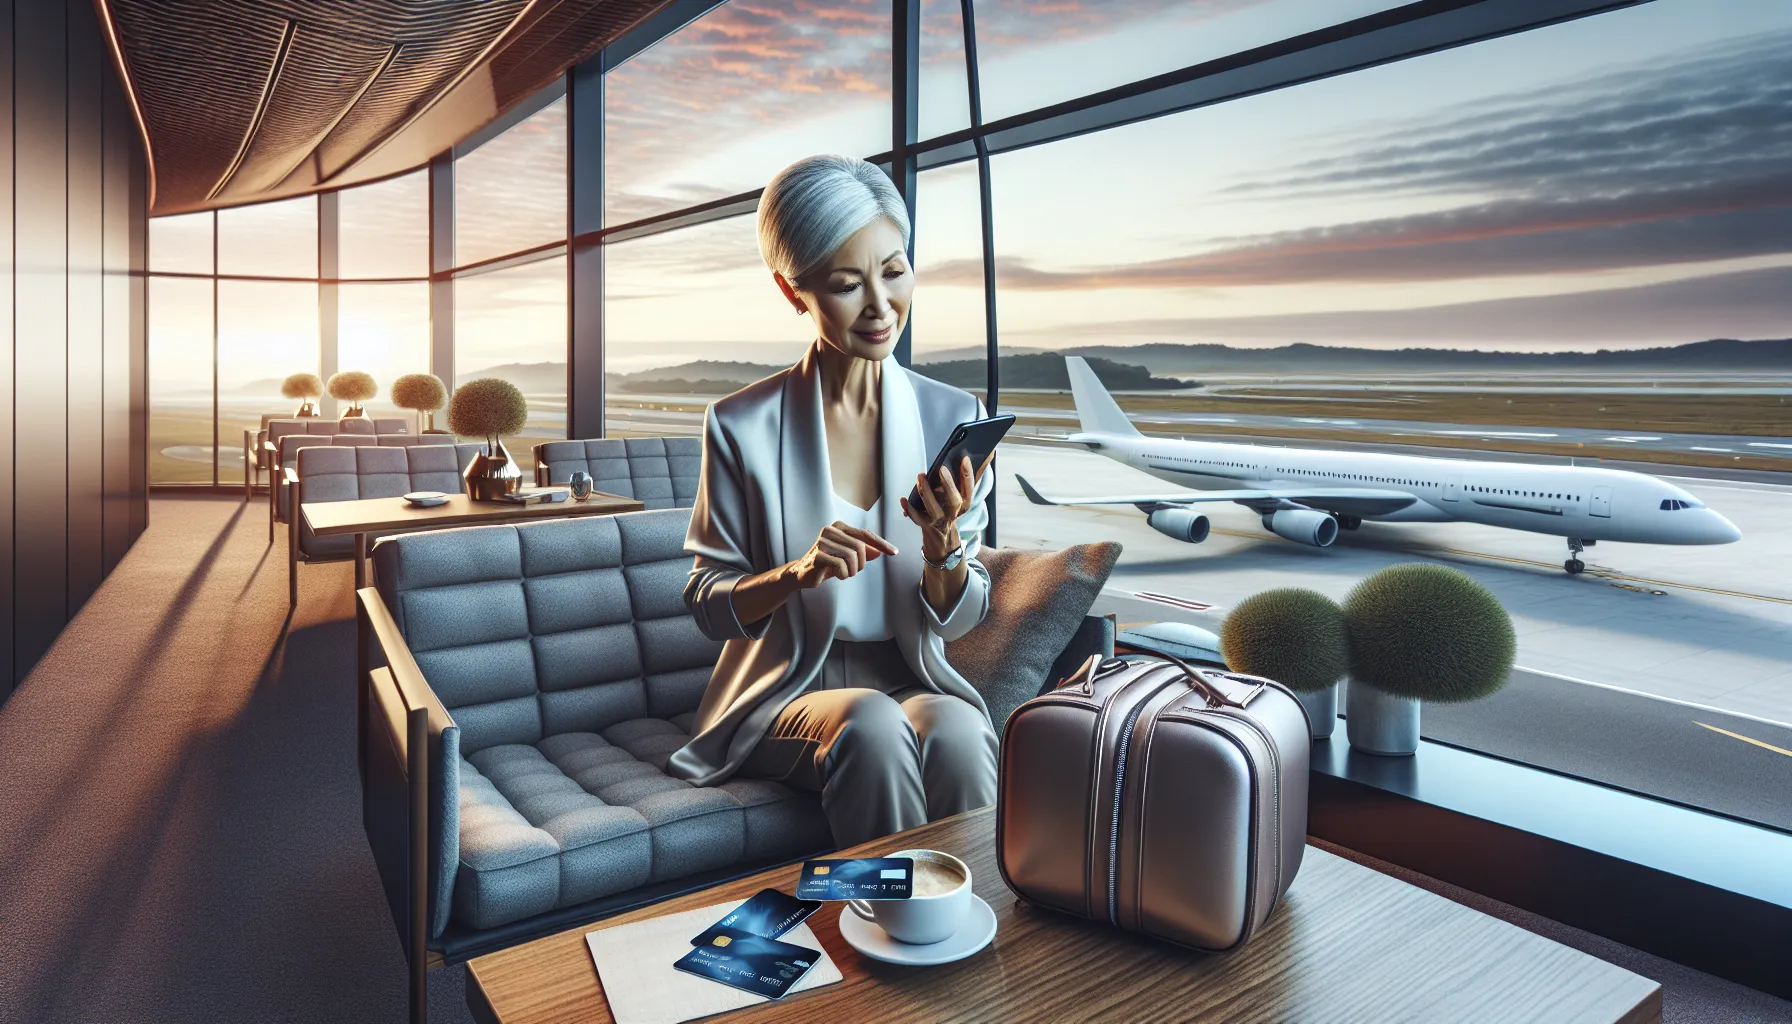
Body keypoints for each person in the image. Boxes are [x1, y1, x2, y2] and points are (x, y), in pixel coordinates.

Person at [669, 154, 999, 848]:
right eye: (848, 284)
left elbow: (963, 620)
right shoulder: (741, 424)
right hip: (787, 689)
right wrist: (797, 574)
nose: (881, 306)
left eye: (895, 270)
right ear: (796, 292)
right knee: (871, 726)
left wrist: (944, 551)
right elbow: (706, 603)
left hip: (911, 673)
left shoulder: (953, 416)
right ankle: (888, 936)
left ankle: (974, 931)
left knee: (964, 730)